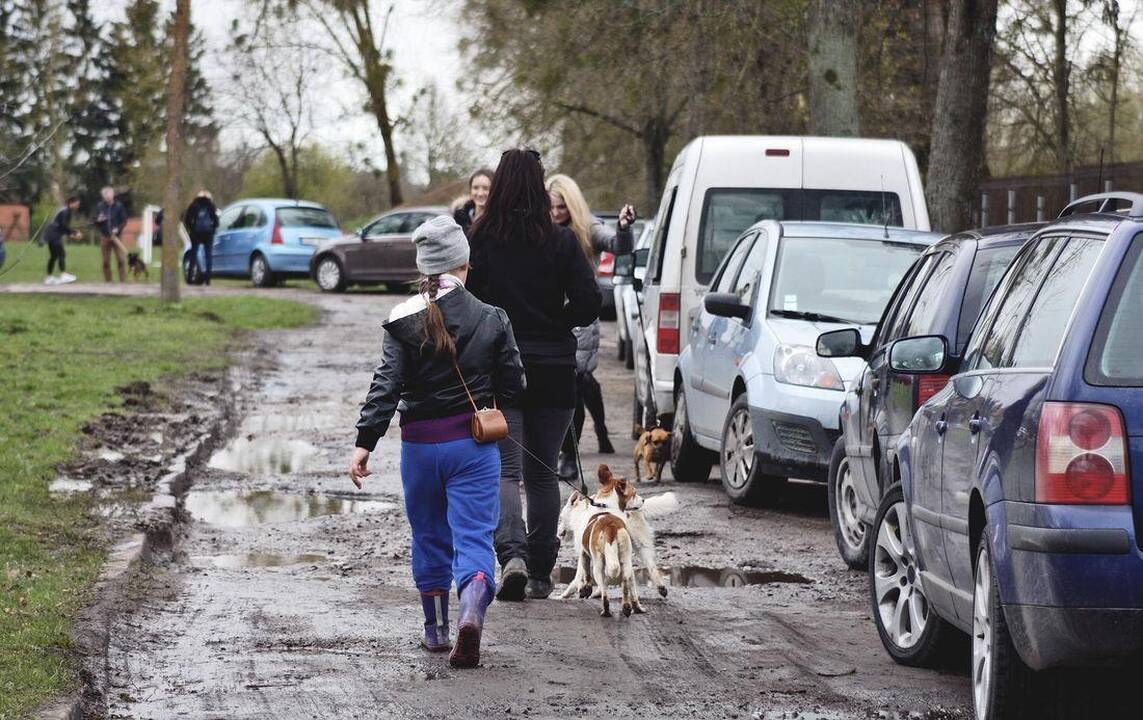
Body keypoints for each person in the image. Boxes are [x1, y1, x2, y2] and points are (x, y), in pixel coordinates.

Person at [350, 215, 525, 668]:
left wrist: (365, 442)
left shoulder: (401, 318)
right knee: (474, 538)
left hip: (420, 448)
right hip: (473, 447)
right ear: (463, 262)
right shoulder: (492, 317)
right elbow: (515, 384)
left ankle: (436, 630)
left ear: (424, 266)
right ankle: (471, 612)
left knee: (429, 536)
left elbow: (385, 385)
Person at [467, 149, 628, 601]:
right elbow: (589, 302)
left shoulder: (480, 240)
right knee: (541, 473)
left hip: (501, 371)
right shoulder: (559, 242)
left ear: (498, 187)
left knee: (504, 472)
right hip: (555, 369)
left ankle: (511, 555)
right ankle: (540, 569)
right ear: (539, 188)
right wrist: (556, 321)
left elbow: (469, 303)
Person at [545, 174, 636, 475]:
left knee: (574, 388)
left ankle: (569, 455)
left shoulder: (587, 227)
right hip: (545, 316)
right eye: (551, 207)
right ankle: (551, 450)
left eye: (561, 207)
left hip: (579, 322)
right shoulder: (539, 230)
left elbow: (616, 245)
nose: (556, 213)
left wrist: (624, 229)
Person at [42, 196, 81, 285]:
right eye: (77, 204)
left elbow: (61, 226)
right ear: (71, 203)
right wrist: (74, 232)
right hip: (55, 236)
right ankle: (63, 276)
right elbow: (63, 225)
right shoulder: (66, 211)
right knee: (61, 254)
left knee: (54, 256)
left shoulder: (65, 210)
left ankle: (49, 278)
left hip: (51, 235)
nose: (78, 206)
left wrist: (70, 234)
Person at [183, 190, 219, 285]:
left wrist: (192, 229)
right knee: (208, 256)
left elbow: (186, 220)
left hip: (196, 234)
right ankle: (208, 280)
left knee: (193, 255)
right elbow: (216, 221)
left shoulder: (193, 205)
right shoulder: (210, 205)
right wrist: (212, 230)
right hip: (208, 234)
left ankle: (190, 278)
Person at [94, 186, 128, 282]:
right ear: (103, 196)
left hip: (116, 237)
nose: (107, 197)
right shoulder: (100, 206)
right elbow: (95, 220)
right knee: (106, 262)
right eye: (105, 195)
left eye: (108, 195)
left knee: (120, 260)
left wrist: (117, 229)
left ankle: (123, 281)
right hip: (105, 237)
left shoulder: (119, 206)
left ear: (113, 195)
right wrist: (98, 220)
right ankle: (108, 282)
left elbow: (124, 221)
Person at [452, 168, 493, 235]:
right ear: (470, 190)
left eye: (486, 188)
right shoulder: (459, 218)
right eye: (475, 188)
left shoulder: (499, 222)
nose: (480, 193)